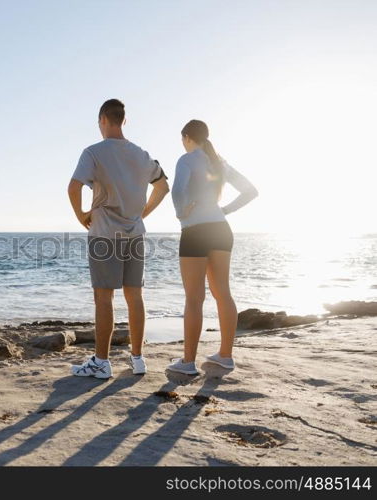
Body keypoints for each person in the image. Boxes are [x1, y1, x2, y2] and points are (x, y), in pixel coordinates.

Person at [67, 99, 170, 379]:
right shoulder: (141, 154)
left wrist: (81, 216)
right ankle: (137, 359)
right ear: (123, 120)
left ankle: (101, 362)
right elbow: (163, 186)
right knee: (134, 295)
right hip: (135, 233)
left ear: (102, 119)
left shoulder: (93, 152)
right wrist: (141, 213)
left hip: (103, 233)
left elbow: (73, 187)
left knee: (104, 299)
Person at [168, 119, 258, 375]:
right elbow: (251, 191)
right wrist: (225, 210)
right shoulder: (220, 162)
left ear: (187, 137)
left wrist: (181, 212)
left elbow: (177, 192)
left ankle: (187, 363)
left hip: (196, 231)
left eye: (182, 139)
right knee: (223, 294)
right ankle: (225, 356)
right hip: (221, 230)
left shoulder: (186, 159)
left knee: (194, 299)